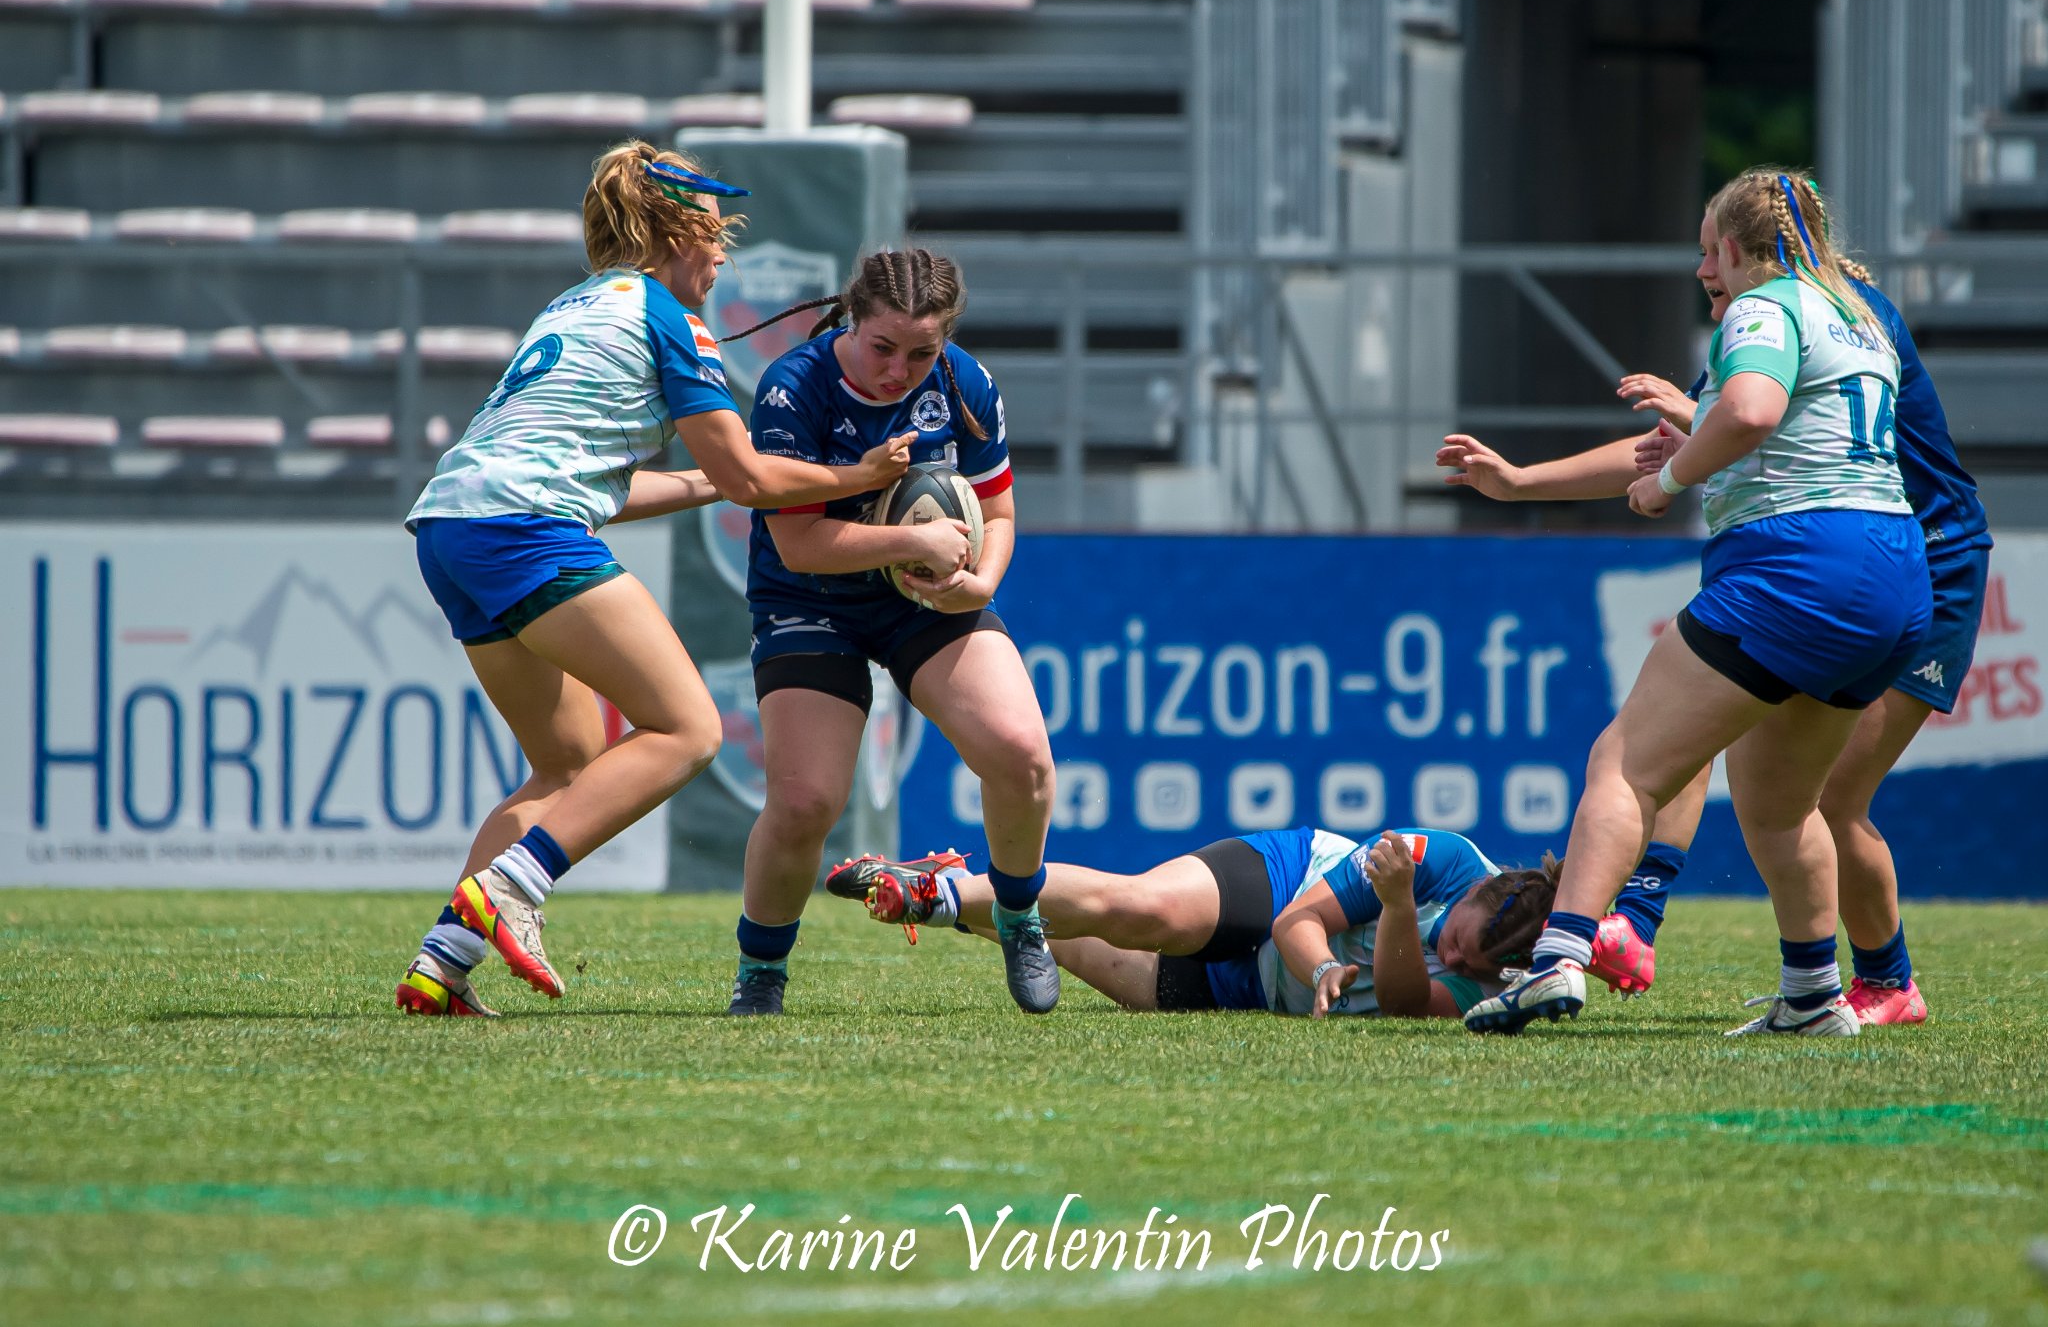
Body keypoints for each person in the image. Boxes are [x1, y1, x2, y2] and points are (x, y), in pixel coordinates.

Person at [1437, 188, 1989, 1028]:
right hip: (1898, 573)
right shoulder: (1851, 311)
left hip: (1812, 561)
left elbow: (1748, 415)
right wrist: (1525, 482)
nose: (1701, 269)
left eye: (1710, 250)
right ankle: (1814, 991)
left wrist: (1665, 483)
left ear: (1745, 247)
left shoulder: (1765, 307)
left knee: (1626, 763)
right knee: (1781, 800)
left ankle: (1564, 953)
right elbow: (1731, 424)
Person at [394, 141, 913, 1017]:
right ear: (674, 230)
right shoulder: (672, 319)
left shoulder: (575, 305)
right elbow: (753, 483)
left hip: (450, 526)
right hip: (525, 528)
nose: (723, 254)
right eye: (714, 234)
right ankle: (512, 888)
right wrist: (857, 479)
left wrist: (718, 476)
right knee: (687, 728)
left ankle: (443, 962)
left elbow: (611, 481)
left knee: (567, 763)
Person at [715, 248, 1058, 1018]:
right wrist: (912, 543)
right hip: (811, 597)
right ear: (853, 318)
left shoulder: (964, 382)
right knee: (805, 803)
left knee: (1022, 756)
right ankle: (761, 970)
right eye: (883, 348)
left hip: (926, 597)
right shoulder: (791, 388)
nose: (900, 370)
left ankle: (1019, 916)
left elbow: (998, 514)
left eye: (921, 353)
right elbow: (799, 545)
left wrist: (984, 580)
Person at [825, 828, 1558, 1019]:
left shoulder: (1502, 974)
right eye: (1458, 941)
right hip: (1279, 883)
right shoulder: (1441, 859)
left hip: (1258, 993)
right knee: (1143, 910)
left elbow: (1403, 1005)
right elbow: (1299, 922)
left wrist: (1397, 913)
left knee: (1071, 948)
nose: (1457, 965)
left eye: (1471, 970)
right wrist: (1325, 967)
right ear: (1484, 891)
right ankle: (942, 895)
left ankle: (945, 881)